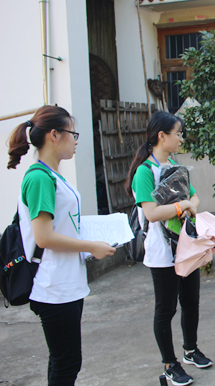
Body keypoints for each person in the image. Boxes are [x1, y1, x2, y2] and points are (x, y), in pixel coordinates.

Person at [7, 106, 116, 386]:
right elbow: (43, 237)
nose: (76, 140)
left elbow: (61, 225)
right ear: (54, 135)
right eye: (72, 133)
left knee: (62, 361)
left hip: (66, 282)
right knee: (67, 364)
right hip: (53, 286)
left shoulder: (52, 176)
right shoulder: (39, 178)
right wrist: (90, 246)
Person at [126, 111, 212, 386]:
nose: (181, 138)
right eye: (178, 133)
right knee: (166, 309)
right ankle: (169, 364)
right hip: (162, 252)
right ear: (162, 136)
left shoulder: (175, 166)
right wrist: (181, 206)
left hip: (185, 246)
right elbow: (151, 213)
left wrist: (190, 205)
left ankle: (190, 350)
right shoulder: (144, 172)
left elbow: (194, 196)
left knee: (191, 303)